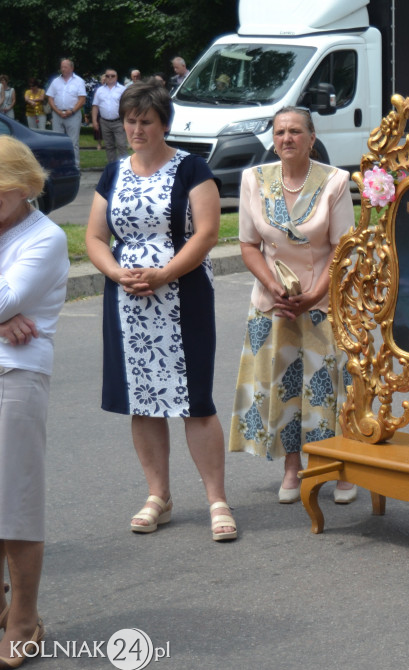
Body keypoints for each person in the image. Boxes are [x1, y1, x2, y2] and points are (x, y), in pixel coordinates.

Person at [84, 83, 237, 541]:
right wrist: (116, 273)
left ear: (164, 124)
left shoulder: (192, 168)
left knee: (194, 400)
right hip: (128, 300)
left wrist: (164, 273)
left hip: (182, 293)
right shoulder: (113, 173)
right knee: (142, 399)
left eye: (145, 121)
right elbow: (94, 237)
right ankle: (159, 497)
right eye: (130, 121)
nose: (135, 129)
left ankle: (217, 499)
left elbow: (206, 233)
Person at [228, 107, 358, 505]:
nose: (287, 138)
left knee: (328, 387)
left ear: (311, 137)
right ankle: (291, 466)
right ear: (273, 138)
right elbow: (249, 245)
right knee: (284, 385)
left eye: (296, 131)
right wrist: (273, 287)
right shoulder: (253, 179)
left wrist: (314, 297)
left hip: (325, 302)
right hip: (274, 304)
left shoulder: (335, 181)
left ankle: (338, 467)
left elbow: (343, 248)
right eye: (280, 131)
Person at [0, 137, 69, 670]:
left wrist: (5, 312)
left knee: (15, 503)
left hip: (15, 375)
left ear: (24, 189)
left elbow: (9, 297)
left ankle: (24, 618)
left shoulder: (43, 238)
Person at [45, 59, 87, 167]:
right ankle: (59, 166)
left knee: (73, 143)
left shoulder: (79, 81)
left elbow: (82, 99)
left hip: (73, 114)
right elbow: (50, 97)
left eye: (65, 67)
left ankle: (74, 166)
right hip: (58, 114)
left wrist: (72, 111)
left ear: (71, 68)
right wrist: (57, 111)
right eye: (62, 67)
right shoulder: (55, 81)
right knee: (57, 141)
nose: (63, 69)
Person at [91, 68, 129, 163]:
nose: (110, 78)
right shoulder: (99, 90)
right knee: (109, 146)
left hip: (119, 121)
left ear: (116, 77)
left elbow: (128, 106)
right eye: (108, 76)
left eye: (113, 76)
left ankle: (124, 167)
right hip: (104, 122)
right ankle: (112, 167)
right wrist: (94, 121)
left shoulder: (122, 89)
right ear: (105, 77)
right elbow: (95, 106)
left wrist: (127, 121)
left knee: (121, 145)